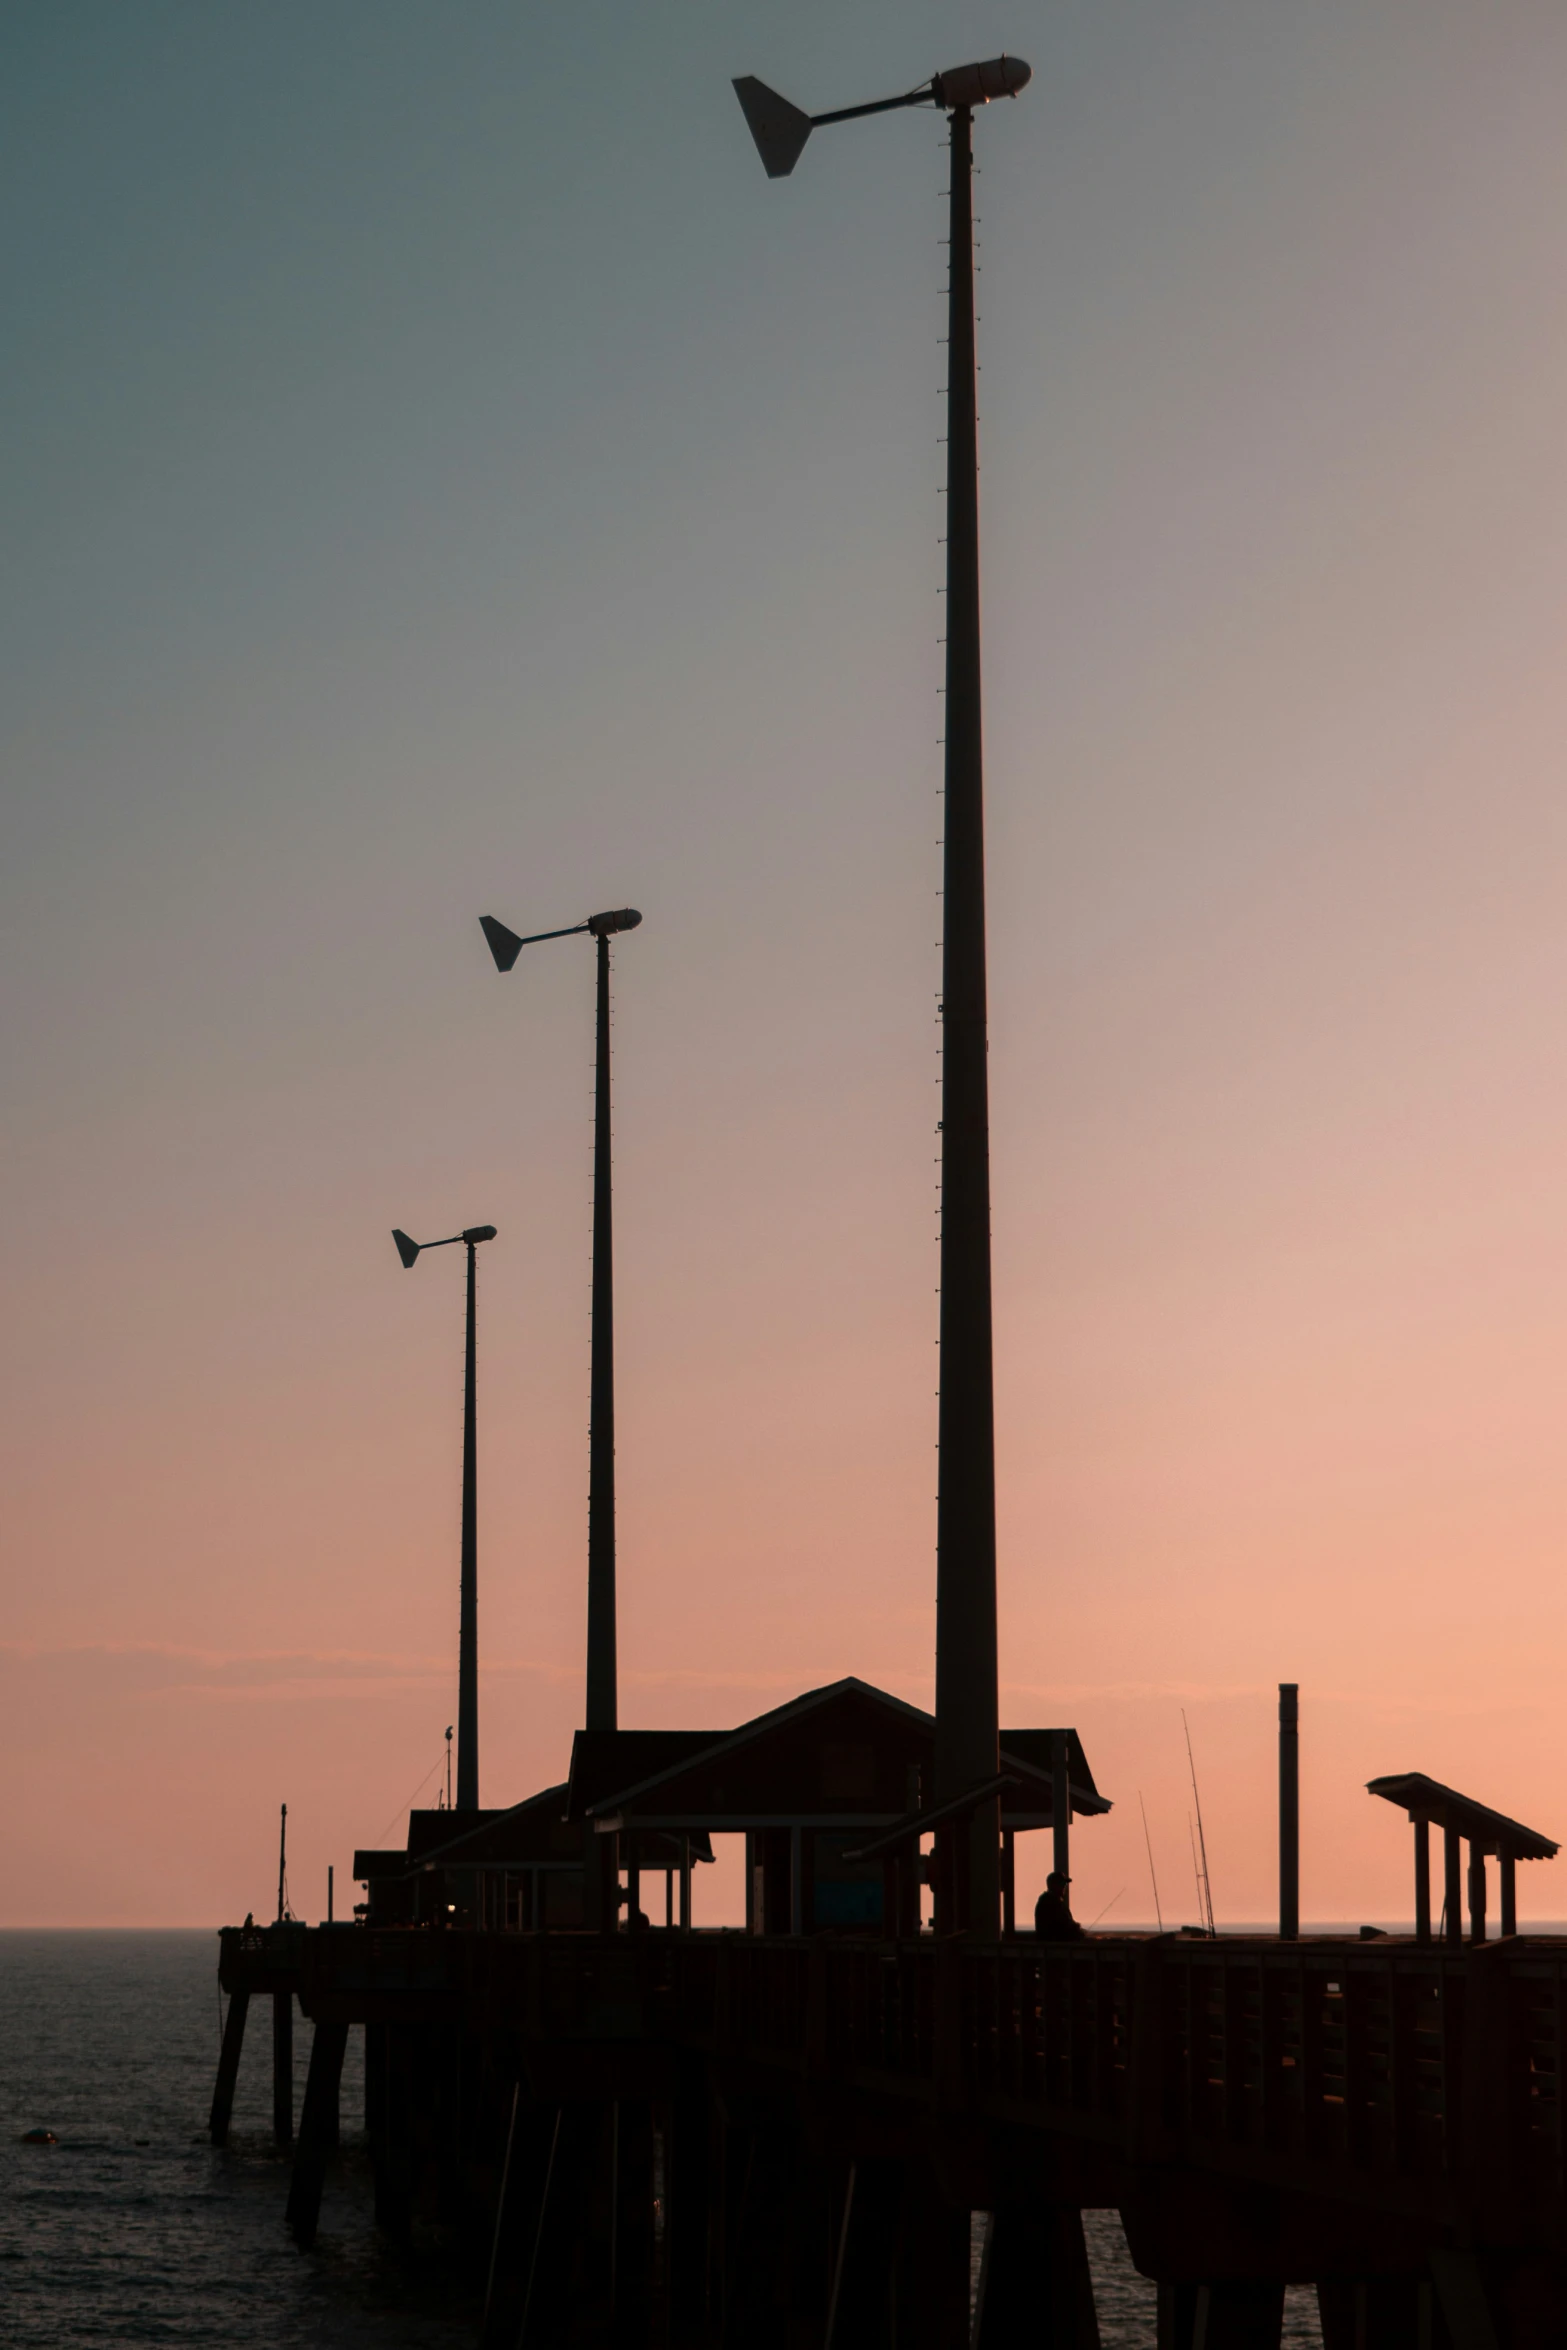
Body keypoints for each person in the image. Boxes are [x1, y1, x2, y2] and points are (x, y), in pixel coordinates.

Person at [1034, 1870, 1083, 1941]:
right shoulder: (1050, 1903)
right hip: (1054, 1946)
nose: (1064, 1887)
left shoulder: (1049, 1901)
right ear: (1055, 1885)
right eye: (1062, 1884)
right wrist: (1075, 1927)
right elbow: (1061, 1926)